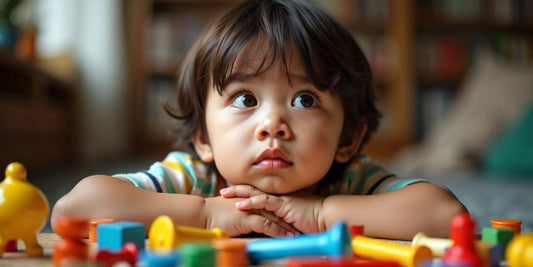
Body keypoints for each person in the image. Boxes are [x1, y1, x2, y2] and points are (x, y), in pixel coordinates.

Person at [51, 0, 466, 240]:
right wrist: (205, 214)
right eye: (245, 98)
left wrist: (322, 213)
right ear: (202, 137)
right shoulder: (195, 177)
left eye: (305, 99)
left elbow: (447, 217)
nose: (273, 124)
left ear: (347, 139)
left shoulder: (348, 180)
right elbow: (74, 210)